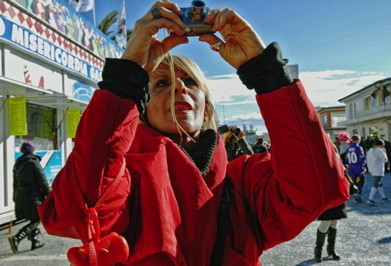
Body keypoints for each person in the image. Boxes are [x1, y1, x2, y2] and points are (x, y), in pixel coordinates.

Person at [38, 1, 349, 265]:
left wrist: (266, 73)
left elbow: (317, 190)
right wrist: (126, 77)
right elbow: (78, 206)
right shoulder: (124, 174)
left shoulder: (242, 179)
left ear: (207, 105)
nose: (179, 87)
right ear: (142, 108)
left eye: (190, 81)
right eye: (161, 83)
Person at [8, 142, 50, 253]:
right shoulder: (33, 163)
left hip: (22, 195)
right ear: (32, 151)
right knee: (39, 217)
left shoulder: (18, 163)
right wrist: (50, 195)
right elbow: (43, 181)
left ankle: (35, 241)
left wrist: (15, 197)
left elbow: (15, 183)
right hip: (33, 195)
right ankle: (17, 237)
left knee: (34, 217)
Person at [366, 138, 388, 206]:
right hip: (378, 169)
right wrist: (384, 152)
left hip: (371, 169)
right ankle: (370, 199)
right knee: (376, 183)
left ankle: (383, 197)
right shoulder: (379, 150)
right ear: (381, 145)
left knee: (379, 183)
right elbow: (385, 160)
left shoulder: (370, 150)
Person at [345, 135, 366, 203]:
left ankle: (355, 193)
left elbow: (346, 158)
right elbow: (361, 158)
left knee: (354, 182)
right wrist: (364, 165)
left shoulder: (348, 148)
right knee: (362, 180)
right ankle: (357, 192)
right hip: (358, 166)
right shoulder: (359, 148)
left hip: (351, 166)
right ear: (358, 140)